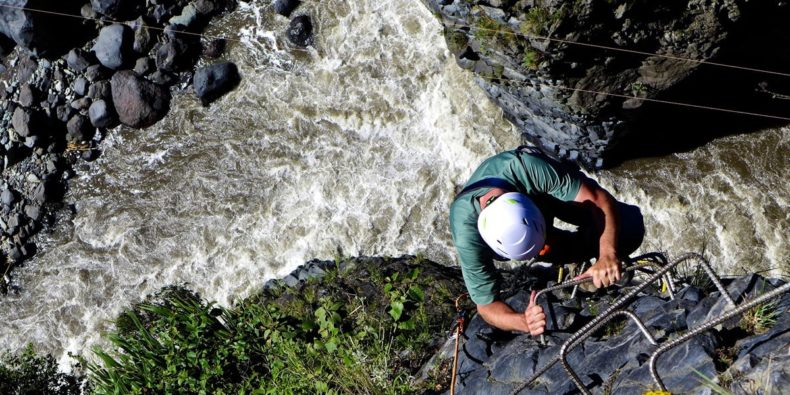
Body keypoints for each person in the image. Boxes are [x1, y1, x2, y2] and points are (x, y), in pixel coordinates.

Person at [449, 147, 644, 336]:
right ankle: (577, 258)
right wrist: (524, 322)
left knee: (630, 228)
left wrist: (607, 254)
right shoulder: (467, 233)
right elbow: (486, 305)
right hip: (529, 213)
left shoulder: (527, 169)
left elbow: (598, 199)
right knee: (553, 247)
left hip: (543, 192)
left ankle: (593, 253)